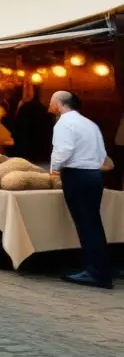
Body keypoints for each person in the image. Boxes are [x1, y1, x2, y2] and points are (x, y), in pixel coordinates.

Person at [49, 91, 115, 289]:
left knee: (86, 225)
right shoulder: (90, 124)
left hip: (77, 175)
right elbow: (102, 155)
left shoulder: (63, 123)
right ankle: (100, 269)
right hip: (94, 175)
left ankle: (96, 273)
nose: (50, 105)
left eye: (52, 102)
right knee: (93, 224)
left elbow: (64, 149)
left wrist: (53, 170)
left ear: (60, 104)